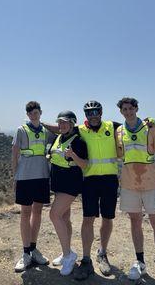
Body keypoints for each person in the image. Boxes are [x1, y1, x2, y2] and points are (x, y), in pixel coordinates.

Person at [116, 97, 155, 285]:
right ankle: (140, 262)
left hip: (151, 184)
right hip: (129, 185)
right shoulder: (119, 131)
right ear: (121, 112)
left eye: (130, 108)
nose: (128, 112)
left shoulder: (151, 128)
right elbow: (119, 155)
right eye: (124, 109)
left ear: (136, 109)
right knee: (135, 222)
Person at [73, 100, 121, 280]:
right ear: (86, 115)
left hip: (109, 180)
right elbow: (61, 127)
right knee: (87, 219)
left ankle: (102, 253)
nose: (93, 116)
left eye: (96, 112)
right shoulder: (80, 129)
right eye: (89, 113)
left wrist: (149, 122)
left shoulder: (113, 126)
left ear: (101, 112)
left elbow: (133, 127)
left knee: (107, 218)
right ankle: (86, 259)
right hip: (90, 180)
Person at [12, 101, 54, 272]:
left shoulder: (46, 132)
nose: (33, 115)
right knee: (25, 214)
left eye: (36, 112)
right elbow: (15, 154)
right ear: (27, 114)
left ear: (40, 113)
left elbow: (62, 130)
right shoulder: (21, 130)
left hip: (42, 176)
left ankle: (34, 248)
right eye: (31, 113)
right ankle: (26, 253)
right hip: (25, 177)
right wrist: (14, 177)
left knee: (37, 213)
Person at [49, 110, 88, 276]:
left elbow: (85, 165)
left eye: (65, 122)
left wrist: (73, 155)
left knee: (54, 215)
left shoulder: (78, 141)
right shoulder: (58, 137)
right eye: (60, 122)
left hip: (70, 185)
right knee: (65, 218)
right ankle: (67, 250)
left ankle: (68, 256)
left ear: (72, 124)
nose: (62, 125)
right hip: (58, 184)